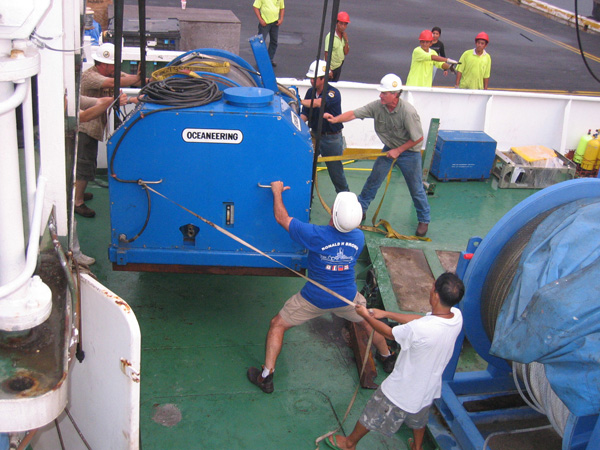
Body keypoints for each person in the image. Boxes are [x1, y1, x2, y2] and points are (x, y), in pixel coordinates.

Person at [247, 183, 396, 394]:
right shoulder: (358, 238)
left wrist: (276, 192)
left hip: (313, 299)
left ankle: (266, 377)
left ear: (333, 213)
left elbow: (281, 218)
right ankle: (387, 357)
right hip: (346, 298)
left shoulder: (315, 235)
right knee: (369, 322)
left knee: (277, 325)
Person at [324, 272, 464, 450]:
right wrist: (386, 313)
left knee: (373, 412)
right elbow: (424, 320)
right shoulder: (456, 316)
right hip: (428, 388)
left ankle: (349, 443)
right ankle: (417, 447)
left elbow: (389, 333)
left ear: (435, 295)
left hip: (401, 390)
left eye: (433, 287)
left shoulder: (420, 330)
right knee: (419, 418)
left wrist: (366, 316)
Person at [324, 74, 431, 237]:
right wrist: (335, 119)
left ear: (394, 94)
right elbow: (355, 113)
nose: (380, 95)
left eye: (384, 93)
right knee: (373, 180)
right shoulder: (377, 107)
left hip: (409, 153)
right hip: (389, 149)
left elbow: (418, 138)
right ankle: (360, 210)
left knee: (416, 188)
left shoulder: (407, 112)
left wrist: (399, 150)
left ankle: (424, 219)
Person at [76, 43, 145, 218]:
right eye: (114, 65)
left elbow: (129, 80)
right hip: (85, 127)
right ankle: (78, 202)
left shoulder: (111, 73)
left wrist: (143, 82)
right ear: (104, 64)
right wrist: (135, 79)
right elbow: (116, 83)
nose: (116, 68)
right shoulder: (89, 77)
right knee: (83, 165)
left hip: (94, 127)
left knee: (88, 163)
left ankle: (79, 193)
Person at [301, 60, 349, 193]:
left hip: (331, 139)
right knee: (306, 168)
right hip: (314, 135)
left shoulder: (333, 93)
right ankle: (307, 200)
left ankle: (345, 198)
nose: (311, 81)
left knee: (336, 173)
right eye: (311, 78)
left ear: (324, 79)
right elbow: (305, 114)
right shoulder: (310, 92)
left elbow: (318, 103)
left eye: (314, 78)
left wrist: (298, 100)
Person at [253, 0, 285, 67]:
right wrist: (260, 20)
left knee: (274, 42)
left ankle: (270, 59)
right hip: (265, 23)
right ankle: (260, 61)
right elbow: (255, 7)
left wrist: (281, 19)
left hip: (275, 23)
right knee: (260, 42)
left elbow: (282, 8)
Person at [324, 11, 350, 82]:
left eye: (345, 24)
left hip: (338, 66)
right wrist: (328, 70)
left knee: (335, 84)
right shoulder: (330, 36)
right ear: (336, 23)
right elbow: (326, 53)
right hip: (331, 68)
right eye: (341, 23)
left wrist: (346, 41)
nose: (343, 26)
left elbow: (346, 52)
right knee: (328, 86)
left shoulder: (344, 36)